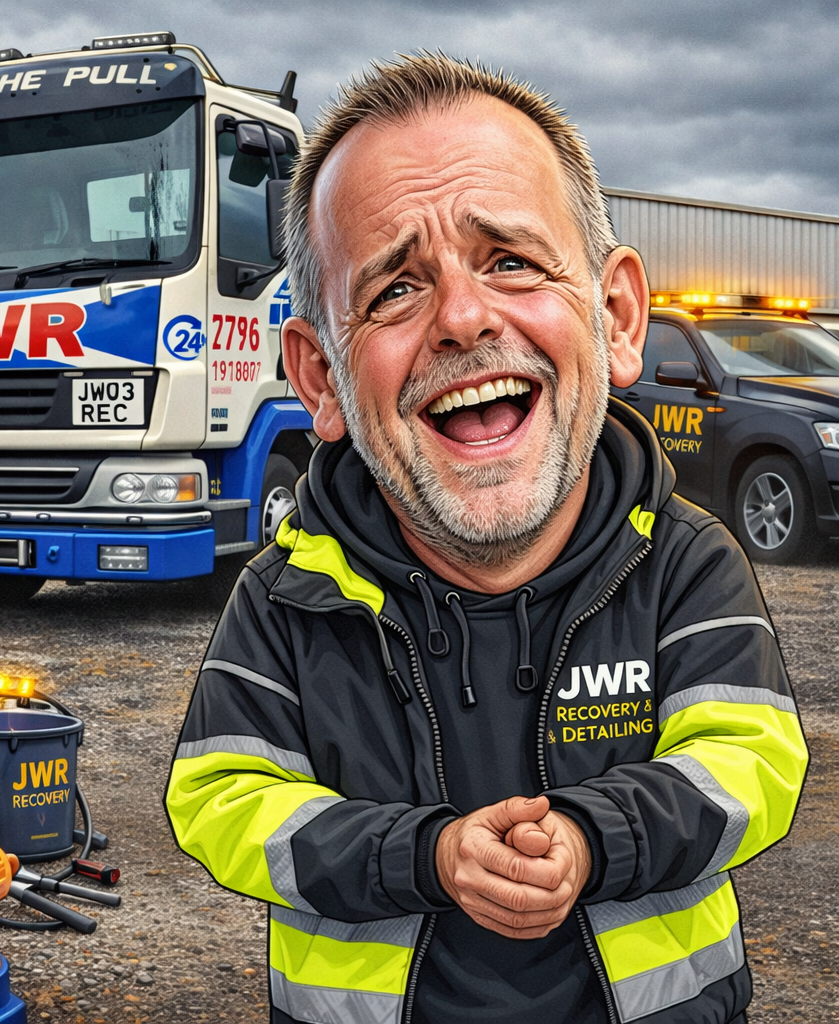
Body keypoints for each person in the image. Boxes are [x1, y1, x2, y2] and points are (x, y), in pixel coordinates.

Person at [165, 52, 807, 1024]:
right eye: (393, 289)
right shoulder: (285, 593)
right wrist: (421, 855)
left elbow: (750, 760)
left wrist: (595, 835)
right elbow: (220, 796)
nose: (463, 319)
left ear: (617, 317)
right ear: (320, 379)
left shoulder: (684, 561)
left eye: (510, 260)